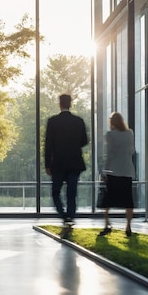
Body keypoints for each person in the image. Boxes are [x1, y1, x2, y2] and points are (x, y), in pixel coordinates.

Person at [44, 94, 89, 225]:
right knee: (72, 191)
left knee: (55, 191)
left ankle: (63, 215)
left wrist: (47, 164)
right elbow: (84, 140)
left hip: (58, 162)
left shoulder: (52, 121)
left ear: (60, 104)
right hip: (75, 161)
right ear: (70, 104)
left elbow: (48, 145)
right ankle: (70, 215)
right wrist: (74, 146)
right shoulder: (78, 121)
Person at [98, 112, 136, 237]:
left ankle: (107, 224)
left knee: (107, 198)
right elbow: (131, 150)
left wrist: (104, 170)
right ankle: (128, 226)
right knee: (128, 199)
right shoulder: (129, 133)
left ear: (112, 122)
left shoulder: (110, 135)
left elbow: (109, 153)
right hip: (127, 170)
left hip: (113, 170)